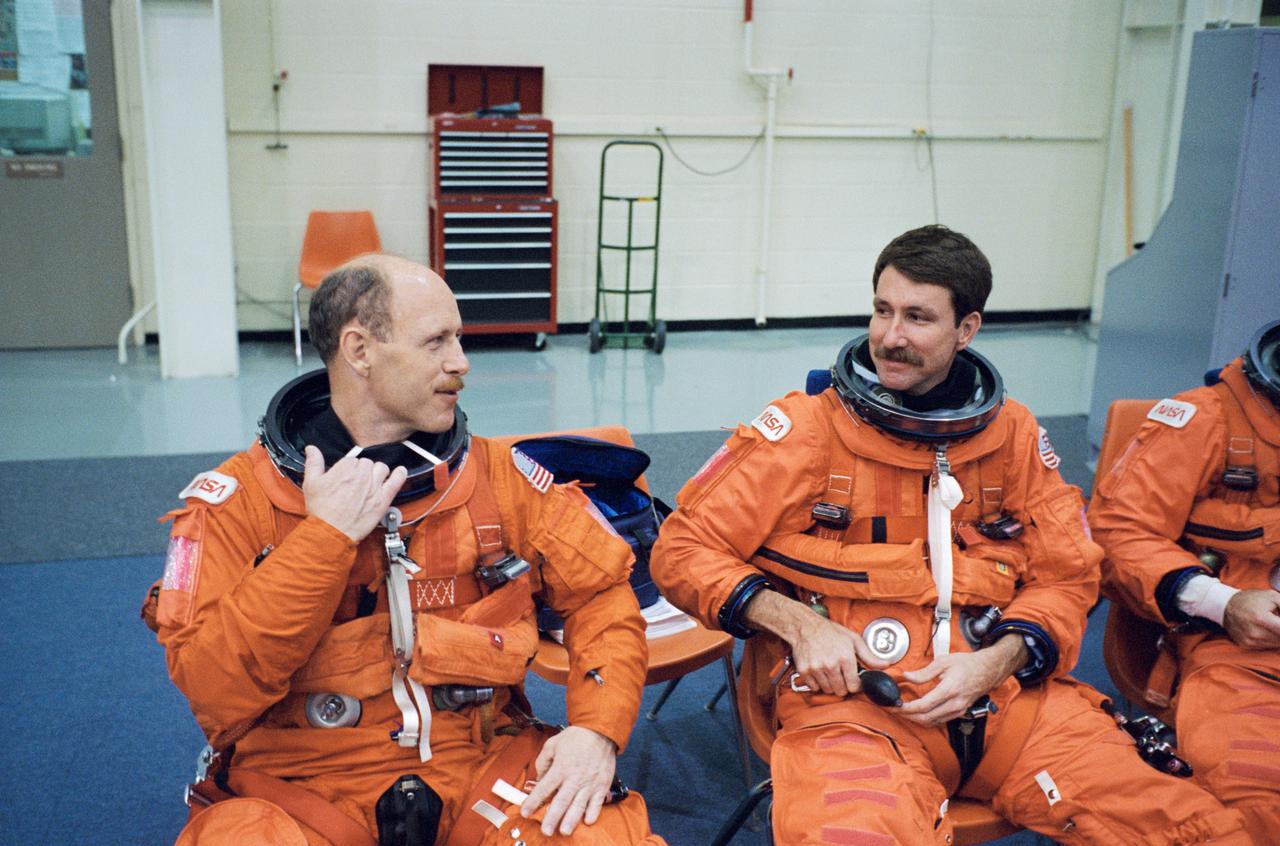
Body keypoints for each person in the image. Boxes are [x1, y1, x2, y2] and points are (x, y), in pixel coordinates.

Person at [650, 225, 1250, 844]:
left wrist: (999, 660)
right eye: (882, 310)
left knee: (1204, 831)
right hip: (853, 709)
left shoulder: (1012, 436)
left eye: (917, 318)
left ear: (966, 330)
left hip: (1013, 702)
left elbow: (1069, 574)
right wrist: (799, 624)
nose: (889, 336)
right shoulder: (806, 431)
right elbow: (682, 547)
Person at [146, 255, 666, 846]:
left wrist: (597, 730)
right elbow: (213, 690)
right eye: (436, 342)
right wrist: (326, 539)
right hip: (302, 781)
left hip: (479, 760)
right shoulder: (234, 503)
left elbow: (602, 597)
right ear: (360, 350)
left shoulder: (501, 479)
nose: (461, 362)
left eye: (460, 338)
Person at [1089, 318, 1280, 841]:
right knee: (1252, 810)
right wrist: (1223, 602)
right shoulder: (1207, 418)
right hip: (1242, 654)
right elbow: (1115, 535)